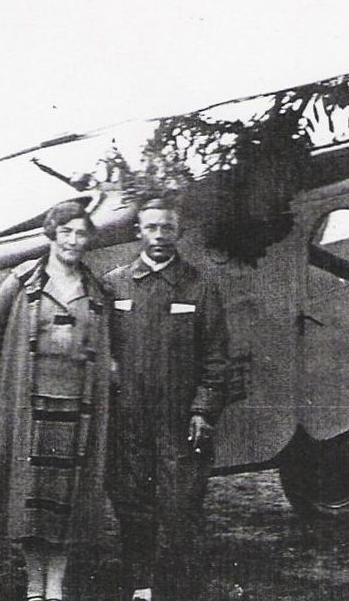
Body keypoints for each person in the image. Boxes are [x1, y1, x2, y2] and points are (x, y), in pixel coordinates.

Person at [0, 200, 111, 601]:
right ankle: (35, 585)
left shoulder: (96, 288)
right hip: (31, 409)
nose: (73, 240)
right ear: (52, 234)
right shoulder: (21, 282)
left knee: (66, 499)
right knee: (31, 500)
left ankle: (56, 586)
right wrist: (9, 387)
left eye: (81, 233)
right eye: (66, 231)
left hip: (77, 407)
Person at [104, 196, 229, 601]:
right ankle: (141, 587)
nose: (159, 235)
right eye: (152, 227)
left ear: (180, 232)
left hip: (180, 422)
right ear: (138, 231)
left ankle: (179, 589)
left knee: (180, 508)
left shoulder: (201, 286)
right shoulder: (114, 284)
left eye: (168, 228)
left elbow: (216, 357)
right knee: (132, 505)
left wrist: (203, 410)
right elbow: (101, 350)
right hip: (128, 421)